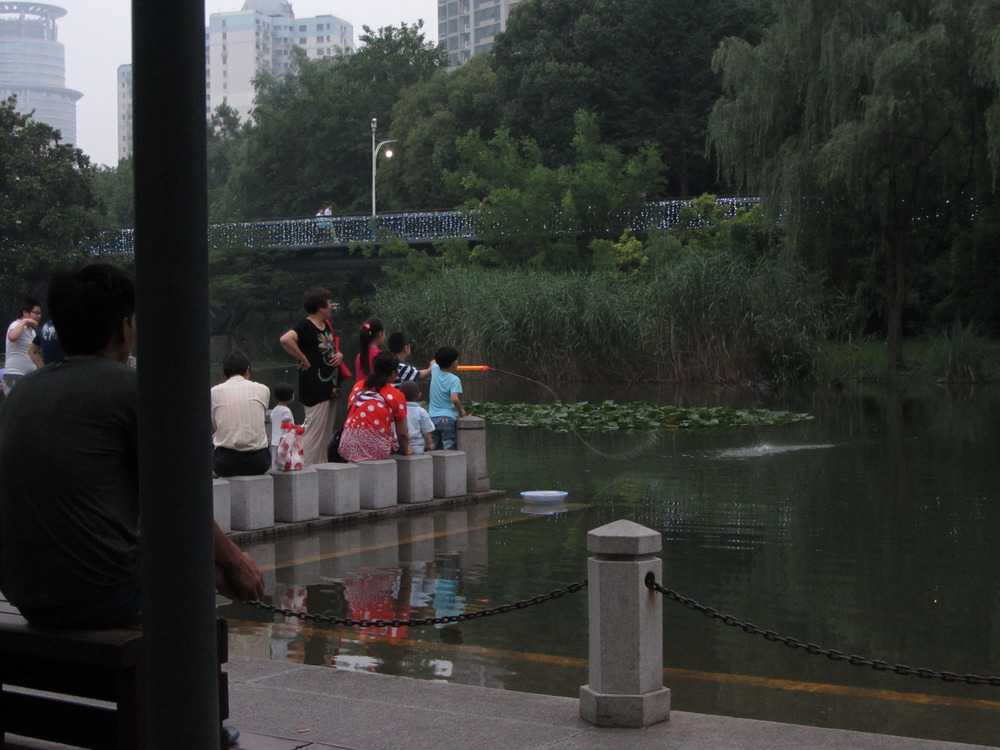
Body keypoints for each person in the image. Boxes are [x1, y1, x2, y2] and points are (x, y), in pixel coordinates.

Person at [0, 263, 264, 630]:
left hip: (24, 594)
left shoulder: (21, 393)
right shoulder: (131, 388)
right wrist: (235, 563)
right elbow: (177, 500)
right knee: (188, 579)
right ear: (124, 328)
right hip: (101, 597)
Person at [279, 287, 346, 467]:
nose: (331, 306)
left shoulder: (326, 326)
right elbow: (285, 339)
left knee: (325, 435)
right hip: (315, 386)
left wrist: (339, 355)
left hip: (330, 385)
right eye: (329, 303)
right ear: (319, 306)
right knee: (314, 434)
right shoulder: (305, 326)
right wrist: (303, 358)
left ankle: (322, 470)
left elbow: (331, 349)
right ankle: (306, 470)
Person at [338, 352, 411, 462]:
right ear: (393, 373)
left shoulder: (358, 386)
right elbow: (402, 434)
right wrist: (406, 450)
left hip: (347, 446)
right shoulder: (396, 395)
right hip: (377, 450)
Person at [211, 351, 271, 477]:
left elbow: (216, 426)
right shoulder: (263, 390)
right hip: (259, 462)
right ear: (247, 370)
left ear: (225, 371)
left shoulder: (213, 392)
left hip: (226, 464)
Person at [428, 346, 467, 451]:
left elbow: (433, 362)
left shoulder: (435, 370)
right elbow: (454, 399)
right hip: (447, 418)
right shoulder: (454, 380)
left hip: (432, 418)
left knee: (435, 447)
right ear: (454, 363)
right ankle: (450, 467)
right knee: (448, 447)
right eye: (456, 359)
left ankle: (435, 467)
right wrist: (461, 410)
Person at [3, 298, 42, 392]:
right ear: (25, 313)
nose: (38, 316)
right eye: (36, 313)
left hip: (28, 377)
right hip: (14, 375)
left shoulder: (33, 332)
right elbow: (12, 337)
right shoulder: (16, 324)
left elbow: (34, 353)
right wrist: (24, 322)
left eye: (40, 313)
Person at [398, 381, 435, 454]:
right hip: (417, 446)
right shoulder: (421, 412)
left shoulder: (396, 410)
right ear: (419, 395)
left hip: (399, 445)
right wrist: (430, 443)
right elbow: (426, 430)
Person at [269, 382, 296, 465]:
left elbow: (271, 421)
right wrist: (296, 428)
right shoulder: (286, 411)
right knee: (285, 462)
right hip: (284, 442)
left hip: (274, 441)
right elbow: (286, 425)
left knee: (275, 463)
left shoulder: (274, 410)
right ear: (290, 396)